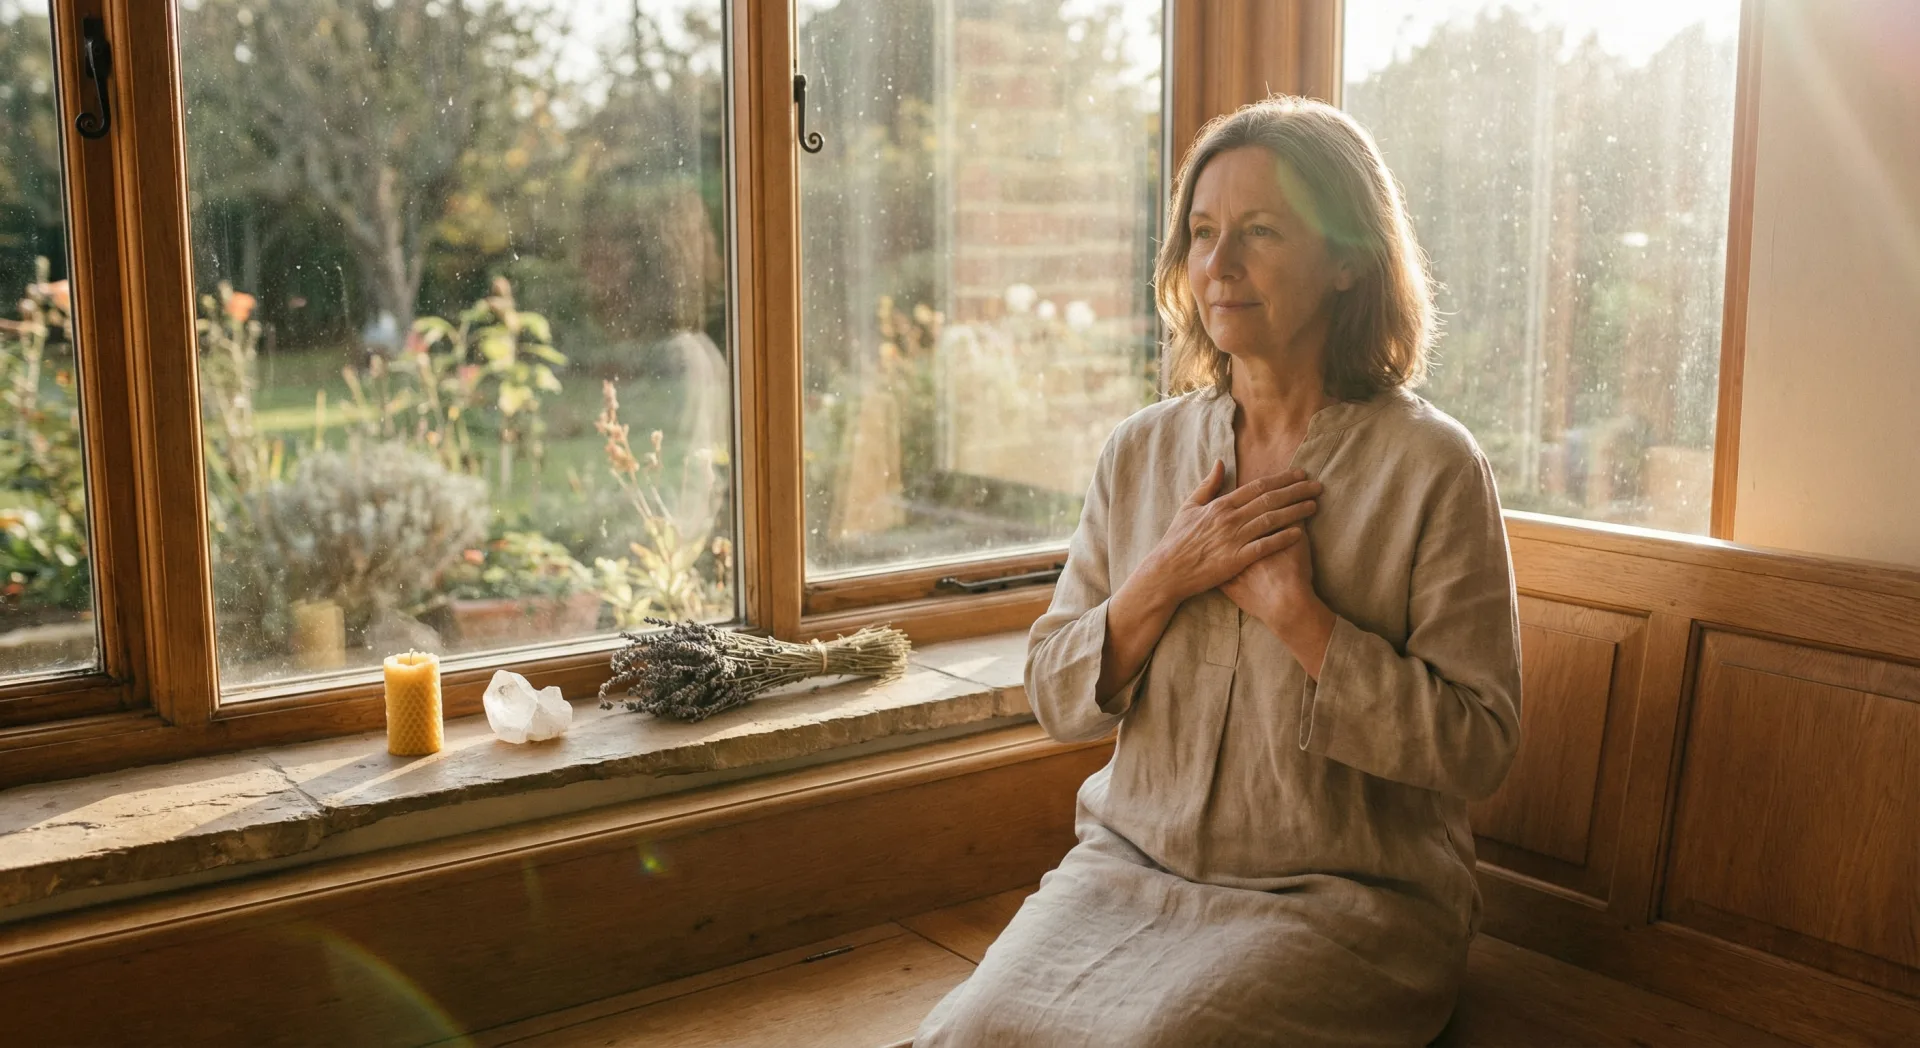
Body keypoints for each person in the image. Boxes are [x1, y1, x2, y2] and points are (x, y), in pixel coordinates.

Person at [915, 95, 1523, 1047]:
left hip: (1349, 901)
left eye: (1260, 231)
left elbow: (1479, 745)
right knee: (970, 1035)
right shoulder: (1139, 452)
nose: (1218, 265)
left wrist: (1303, 621)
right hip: (1128, 870)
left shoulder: (1434, 467)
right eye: (1202, 233)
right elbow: (1054, 696)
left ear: (1350, 259)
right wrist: (1162, 576)